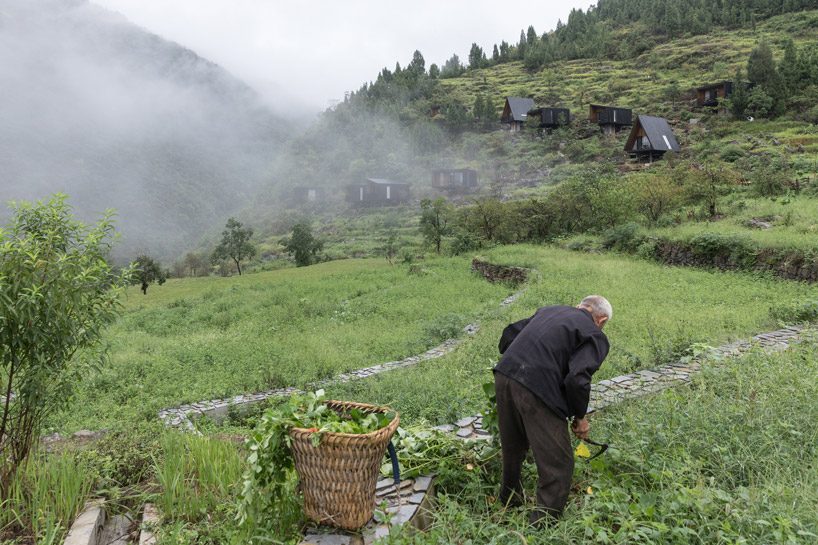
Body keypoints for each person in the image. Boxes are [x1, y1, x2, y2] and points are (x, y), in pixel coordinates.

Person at [493, 295, 612, 524]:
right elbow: (577, 380)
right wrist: (580, 418)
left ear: (580, 306)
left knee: (513, 446)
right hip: (536, 387)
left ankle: (509, 500)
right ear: (602, 319)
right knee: (559, 464)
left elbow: (508, 335)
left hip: (504, 375)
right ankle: (543, 524)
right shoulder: (594, 333)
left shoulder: (549, 310)